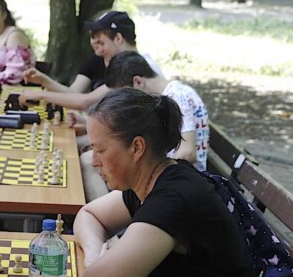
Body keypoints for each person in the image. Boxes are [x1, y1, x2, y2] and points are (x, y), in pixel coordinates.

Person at [74, 88, 278, 277]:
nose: (94, 162)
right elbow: (88, 215)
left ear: (137, 147)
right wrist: (94, 255)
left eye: (100, 150)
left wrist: (100, 266)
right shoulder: (151, 180)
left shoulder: (174, 200)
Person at [77, 51, 209, 202]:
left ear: (138, 82)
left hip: (176, 183)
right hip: (162, 175)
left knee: (89, 161)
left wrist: (150, 171)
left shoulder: (179, 96)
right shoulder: (170, 94)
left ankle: (112, 217)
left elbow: (188, 153)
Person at [18, 11, 163, 110]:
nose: (98, 51)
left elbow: (85, 101)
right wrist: (44, 81)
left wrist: (40, 94)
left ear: (118, 39)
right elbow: (78, 95)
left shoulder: (133, 67)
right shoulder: (129, 62)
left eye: (101, 43)